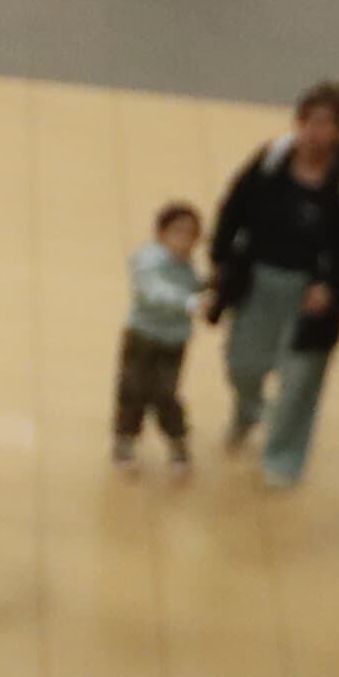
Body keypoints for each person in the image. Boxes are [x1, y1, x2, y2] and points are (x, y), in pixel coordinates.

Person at [206, 81, 339, 489]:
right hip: (259, 279)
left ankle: (283, 459)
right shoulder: (270, 161)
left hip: (313, 295)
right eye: (309, 122)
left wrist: (333, 286)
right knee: (242, 363)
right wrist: (220, 259)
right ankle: (249, 410)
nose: (315, 132)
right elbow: (233, 207)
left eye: (326, 124)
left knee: (301, 379)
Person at [115, 200, 202, 478]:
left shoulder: (189, 267)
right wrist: (189, 303)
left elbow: (199, 290)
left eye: (191, 233)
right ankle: (124, 442)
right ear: (161, 233)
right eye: (178, 231)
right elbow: (153, 292)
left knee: (166, 393)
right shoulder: (147, 261)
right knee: (133, 390)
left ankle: (178, 444)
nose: (184, 240)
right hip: (142, 338)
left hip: (174, 342)